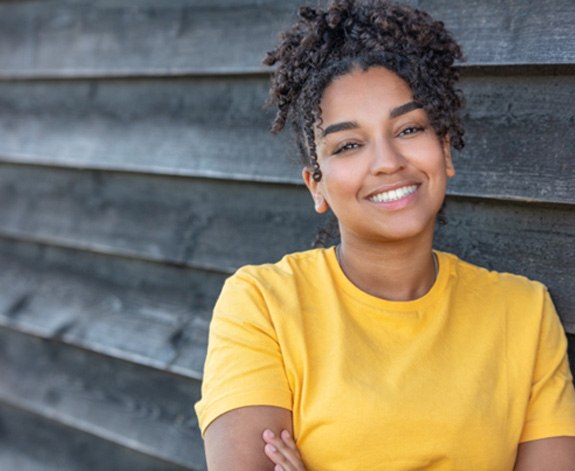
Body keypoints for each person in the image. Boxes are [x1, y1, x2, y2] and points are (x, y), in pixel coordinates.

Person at [194, 0, 575, 469]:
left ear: (445, 152)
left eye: (410, 128)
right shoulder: (263, 306)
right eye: (349, 144)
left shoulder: (525, 314)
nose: (387, 161)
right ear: (317, 184)